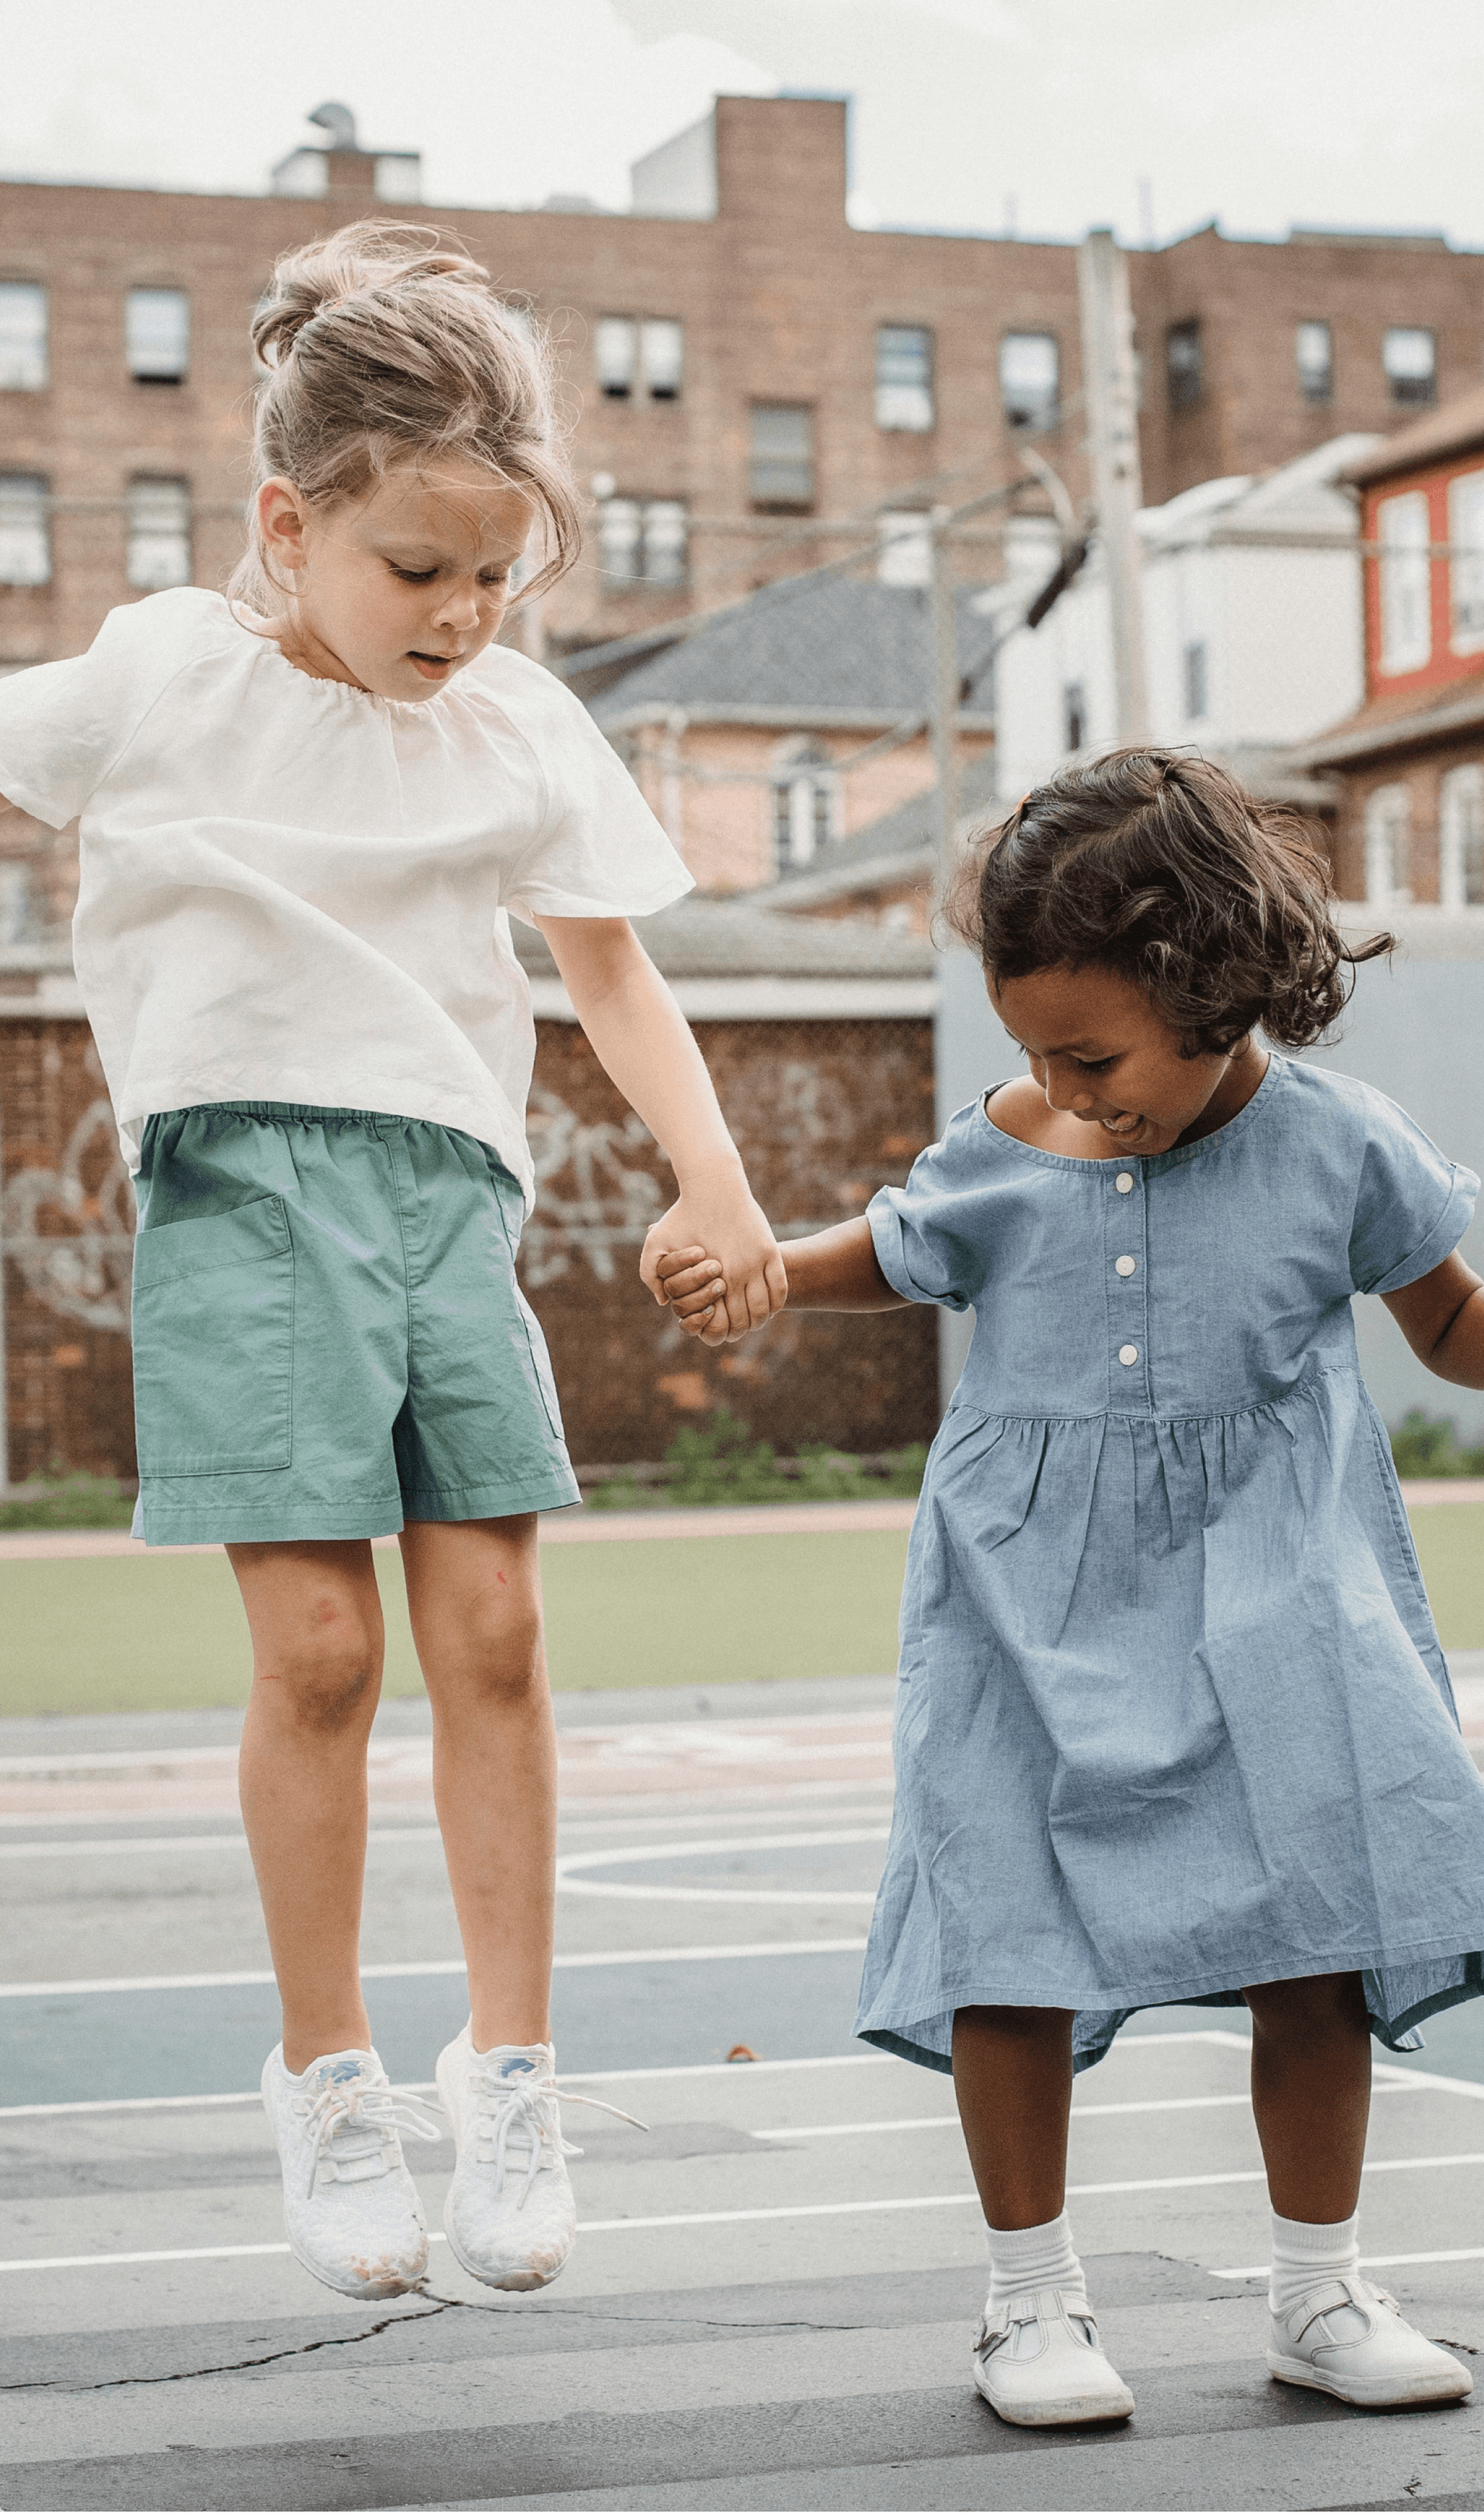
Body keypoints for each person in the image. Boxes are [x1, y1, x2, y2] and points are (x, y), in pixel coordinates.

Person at [0, 222, 784, 2305]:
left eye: (493, 574)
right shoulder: (166, 669)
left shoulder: (518, 725)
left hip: (450, 1195)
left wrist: (713, 1180)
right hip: (241, 1188)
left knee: (497, 1634)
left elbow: (614, 968)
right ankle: (327, 2072)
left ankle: (504, 2069)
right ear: (289, 521)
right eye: (416, 568)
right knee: (324, 1658)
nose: (459, 611)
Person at [656, 751, 1484, 2424]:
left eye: (1089, 1054)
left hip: (1276, 1594)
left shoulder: (1340, 1149)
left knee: (1313, 1940)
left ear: (1214, 989)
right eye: (1031, 1048)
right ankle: (1027, 2307)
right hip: (1022, 1609)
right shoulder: (1005, 1146)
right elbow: (885, 1251)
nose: (1057, 1083)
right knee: (1003, 1939)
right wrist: (760, 1273)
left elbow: (1452, 1325)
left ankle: (1314, 2294)